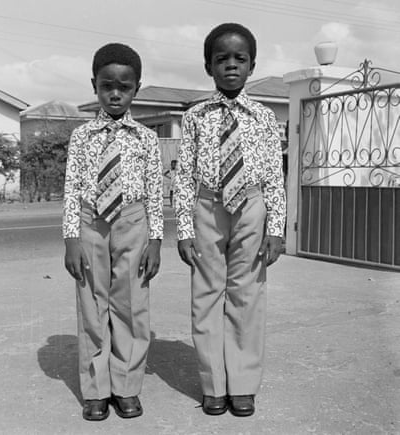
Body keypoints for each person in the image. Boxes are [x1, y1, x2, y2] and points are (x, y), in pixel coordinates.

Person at [174, 23, 286, 417]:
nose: (231, 66)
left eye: (240, 59)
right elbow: (184, 175)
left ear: (252, 66)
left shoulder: (264, 117)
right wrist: (185, 230)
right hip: (208, 207)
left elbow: (274, 177)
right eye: (222, 59)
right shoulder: (195, 117)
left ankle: (241, 384)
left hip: (252, 208)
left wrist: (276, 229)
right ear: (209, 66)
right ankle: (213, 384)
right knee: (206, 296)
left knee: (247, 295)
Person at [62, 43, 163, 421]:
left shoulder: (146, 138)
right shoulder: (82, 137)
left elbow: (156, 190)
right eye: (108, 86)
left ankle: (126, 386)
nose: (116, 93)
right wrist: (71, 237)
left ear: (137, 88)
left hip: (133, 222)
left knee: (132, 306)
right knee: (92, 305)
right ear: (95, 86)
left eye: (125, 86)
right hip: (91, 222)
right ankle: (96, 390)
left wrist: (155, 241)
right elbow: (72, 188)